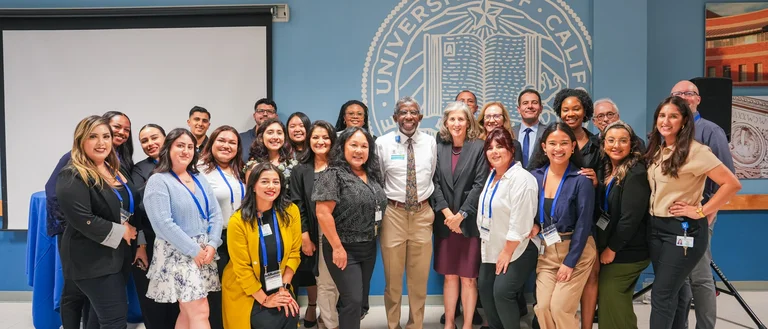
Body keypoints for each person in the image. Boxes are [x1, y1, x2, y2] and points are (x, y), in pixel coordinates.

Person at [644, 96, 740, 329]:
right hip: (656, 228)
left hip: (682, 229)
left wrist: (702, 210)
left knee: (662, 293)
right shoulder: (658, 149)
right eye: (662, 116)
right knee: (676, 291)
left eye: (673, 116)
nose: (666, 121)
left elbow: (732, 184)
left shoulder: (696, 151)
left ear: (685, 121)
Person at [44, 111, 134, 329]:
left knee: (97, 318)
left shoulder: (114, 168)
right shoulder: (72, 174)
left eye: (106, 136)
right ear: (80, 140)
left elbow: (124, 203)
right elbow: (84, 219)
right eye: (93, 136)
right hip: (91, 259)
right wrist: (121, 231)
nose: (101, 143)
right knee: (114, 321)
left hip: (116, 254)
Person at [670, 80, 736, 329]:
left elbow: (728, 180)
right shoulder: (668, 132)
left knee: (699, 276)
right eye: (678, 94)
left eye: (689, 93)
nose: (683, 97)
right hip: (671, 217)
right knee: (678, 278)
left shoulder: (711, 131)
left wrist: (707, 212)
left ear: (698, 99)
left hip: (698, 215)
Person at [143, 128, 224, 329]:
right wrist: (193, 250)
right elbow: (162, 223)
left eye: (190, 147)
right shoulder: (158, 180)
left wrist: (213, 244)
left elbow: (215, 213)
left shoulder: (198, 177)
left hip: (204, 251)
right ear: (168, 148)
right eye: (180, 145)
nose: (186, 151)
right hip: (178, 253)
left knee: (188, 314)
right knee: (200, 311)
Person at [312, 127, 387, 329]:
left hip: (368, 247)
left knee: (359, 302)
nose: (359, 150)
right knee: (352, 300)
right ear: (343, 147)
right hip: (343, 248)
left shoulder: (372, 174)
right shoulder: (333, 174)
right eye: (353, 145)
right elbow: (323, 213)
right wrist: (337, 248)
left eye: (364, 146)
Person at [376, 96, 437, 329]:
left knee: (419, 280)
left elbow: (431, 175)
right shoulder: (383, 143)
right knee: (393, 280)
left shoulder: (430, 142)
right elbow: (379, 179)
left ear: (420, 117)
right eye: (403, 112)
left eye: (413, 112)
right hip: (394, 214)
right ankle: (393, 324)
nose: (408, 116)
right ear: (395, 117)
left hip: (422, 213)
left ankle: (415, 325)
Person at [529, 122, 597, 329]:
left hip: (577, 250)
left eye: (564, 143)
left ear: (573, 146)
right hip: (548, 251)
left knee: (559, 308)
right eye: (552, 143)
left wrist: (570, 262)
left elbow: (584, 224)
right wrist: (535, 225)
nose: (558, 148)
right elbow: (532, 210)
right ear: (544, 147)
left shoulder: (581, 180)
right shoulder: (535, 177)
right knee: (542, 308)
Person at [221, 162, 302, 329]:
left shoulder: (290, 211)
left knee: (290, 315)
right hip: (247, 291)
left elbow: (294, 254)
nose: (271, 186)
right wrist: (265, 300)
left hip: (279, 285)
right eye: (265, 181)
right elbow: (242, 269)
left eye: (276, 182)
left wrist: (284, 288)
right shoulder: (238, 221)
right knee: (268, 323)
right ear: (253, 186)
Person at [431, 101, 487, 329]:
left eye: (461, 119)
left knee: (469, 278)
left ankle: (467, 325)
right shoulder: (439, 147)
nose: (456, 123)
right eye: (452, 119)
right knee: (450, 276)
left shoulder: (479, 147)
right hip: (445, 223)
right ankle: (449, 323)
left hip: (469, 224)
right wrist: (448, 214)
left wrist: (461, 215)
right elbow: (434, 183)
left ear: (468, 122)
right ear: (446, 122)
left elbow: (480, 184)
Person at [477, 127, 539, 329]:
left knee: (502, 292)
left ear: (512, 150)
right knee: (485, 289)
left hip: (517, 247)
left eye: (500, 146)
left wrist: (506, 252)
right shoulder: (492, 175)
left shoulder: (522, 179)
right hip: (492, 245)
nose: (494, 151)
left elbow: (520, 222)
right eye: (490, 147)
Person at [551, 88, 599, 329]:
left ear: (585, 111)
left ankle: (586, 325)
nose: (570, 113)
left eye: (576, 108)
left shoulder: (597, 144)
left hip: (590, 216)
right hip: (561, 221)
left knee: (591, 274)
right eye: (566, 109)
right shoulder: (554, 137)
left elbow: (610, 176)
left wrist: (597, 180)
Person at [595, 121, 651, 329]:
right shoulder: (607, 168)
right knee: (613, 302)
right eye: (611, 140)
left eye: (622, 141)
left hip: (628, 251)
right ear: (604, 144)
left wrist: (612, 248)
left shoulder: (635, 173)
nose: (616, 145)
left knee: (612, 295)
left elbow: (630, 219)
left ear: (632, 144)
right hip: (615, 248)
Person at [290, 121, 339, 329]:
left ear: (333, 140)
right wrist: (304, 235)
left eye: (325, 137)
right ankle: (329, 323)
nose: (321, 141)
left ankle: (330, 318)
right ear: (309, 140)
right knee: (325, 282)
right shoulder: (300, 170)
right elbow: (297, 204)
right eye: (316, 137)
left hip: (341, 233)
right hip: (315, 233)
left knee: (341, 282)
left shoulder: (341, 167)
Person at [131, 124, 181, 329]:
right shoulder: (139, 170)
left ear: (165, 138)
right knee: (153, 301)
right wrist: (141, 244)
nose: (150, 143)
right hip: (151, 242)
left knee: (178, 300)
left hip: (180, 243)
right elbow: (140, 206)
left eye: (154, 138)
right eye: (144, 141)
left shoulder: (181, 163)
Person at [198, 125, 246, 329]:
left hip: (241, 237)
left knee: (238, 287)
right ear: (212, 143)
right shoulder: (199, 170)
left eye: (232, 142)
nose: (227, 146)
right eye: (222, 141)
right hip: (216, 239)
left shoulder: (240, 169)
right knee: (215, 292)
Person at [245, 118, 298, 184]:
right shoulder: (254, 166)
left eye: (279, 133)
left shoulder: (292, 165)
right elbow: (250, 190)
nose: (275, 137)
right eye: (270, 133)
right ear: (261, 138)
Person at [513, 89, 547, 169]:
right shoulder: (510, 132)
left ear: (541, 108)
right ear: (519, 109)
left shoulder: (549, 132)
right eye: (525, 103)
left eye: (534, 103)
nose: (530, 106)